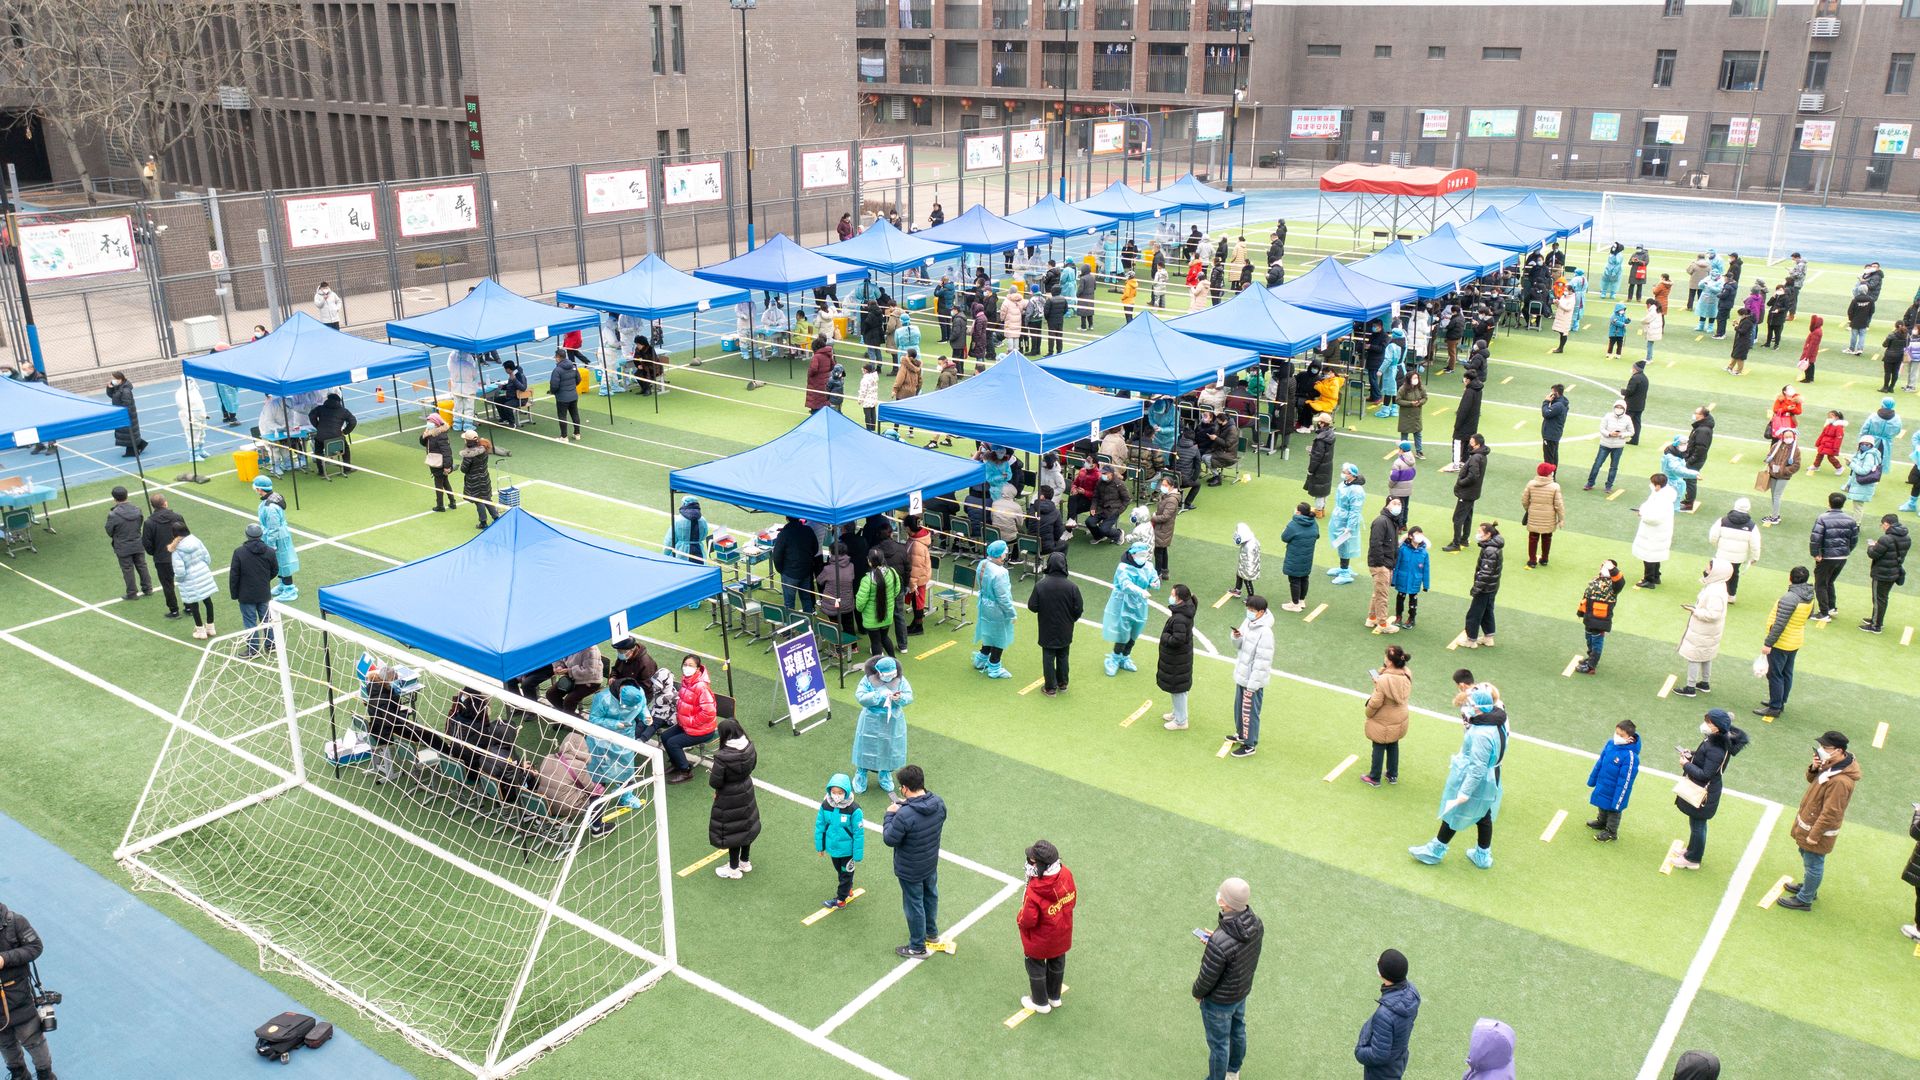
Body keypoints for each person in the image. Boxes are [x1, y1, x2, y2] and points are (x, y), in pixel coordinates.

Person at [1410, 684, 1507, 868]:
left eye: (1470, 703)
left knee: (1455, 811)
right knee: (1484, 814)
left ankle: (1436, 850)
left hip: (1477, 777)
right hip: (1491, 774)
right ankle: (1482, 854)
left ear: (1478, 706)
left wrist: (1464, 792)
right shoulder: (1498, 722)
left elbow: (1477, 767)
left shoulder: (1482, 733)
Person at [1775, 731, 1863, 912]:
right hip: (1810, 821)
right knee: (1806, 854)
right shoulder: (1833, 764)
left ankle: (1805, 898)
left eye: (1825, 747)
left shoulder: (1841, 781)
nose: (1821, 750)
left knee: (1814, 862)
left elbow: (1831, 812)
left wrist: (1814, 835)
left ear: (1838, 750)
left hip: (1818, 829)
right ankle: (1809, 888)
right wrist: (1814, 768)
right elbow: (1812, 781)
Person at [1192, 877, 1262, 1080]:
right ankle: (1233, 1071)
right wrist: (1218, 940)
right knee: (1238, 1030)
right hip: (1241, 992)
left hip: (1219, 1002)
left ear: (1224, 903)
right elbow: (1242, 951)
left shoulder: (1220, 942)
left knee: (1219, 1045)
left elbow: (1206, 977)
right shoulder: (1256, 924)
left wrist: (1197, 994)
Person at [883, 764, 947, 959]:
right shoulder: (938, 802)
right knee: (930, 896)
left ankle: (917, 947)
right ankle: (931, 933)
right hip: (930, 862)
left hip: (910, 868)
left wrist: (890, 814)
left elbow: (889, 839)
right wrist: (908, 805)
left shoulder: (903, 815)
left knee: (914, 905)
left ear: (904, 788)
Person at [1675, 709, 1750, 870]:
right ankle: (1691, 850)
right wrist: (1692, 755)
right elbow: (1705, 758)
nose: (1706, 725)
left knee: (1698, 825)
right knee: (1697, 823)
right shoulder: (1715, 741)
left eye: (1709, 722)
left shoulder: (1716, 748)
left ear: (1717, 727)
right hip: (1706, 791)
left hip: (1705, 792)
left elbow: (1705, 774)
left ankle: (1693, 858)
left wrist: (1686, 765)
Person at [1015, 839, 1076, 1015]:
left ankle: (1040, 1002)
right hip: (1062, 930)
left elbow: (1028, 919)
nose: (1029, 862)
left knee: (1035, 965)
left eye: (1032, 860)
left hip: (1040, 937)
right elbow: (1073, 899)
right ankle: (1054, 997)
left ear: (1041, 864)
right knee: (1057, 960)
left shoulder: (1035, 888)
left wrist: (1019, 919)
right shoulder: (1066, 874)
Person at [0, 900, 53, 1080]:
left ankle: (45, 1074)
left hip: (19, 996)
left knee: (33, 1040)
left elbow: (35, 947)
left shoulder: (15, 922)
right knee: (5, 1044)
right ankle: (18, 1074)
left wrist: (4, 959)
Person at [1757, 565, 1815, 720]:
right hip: (1796, 639)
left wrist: (1768, 643)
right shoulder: (1809, 595)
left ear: (1790, 578)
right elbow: (1809, 615)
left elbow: (1779, 624)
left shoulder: (1789, 598)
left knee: (1775, 674)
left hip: (1782, 642)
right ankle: (1780, 701)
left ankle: (1774, 706)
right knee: (1787, 672)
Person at [707, 719, 762, 879]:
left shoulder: (722, 757)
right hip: (746, 789)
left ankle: (733, 869)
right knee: (746, 826)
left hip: (729, 796)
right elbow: (753, 765)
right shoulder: (749, 746)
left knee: (733, 832)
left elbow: (715, 781)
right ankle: (744, 862)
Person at [1353, 948, 1419, 1080]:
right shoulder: (1412, 992)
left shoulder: (1385, 1014)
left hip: (1381, 1073)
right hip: (1398, 1060)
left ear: (1383, 975)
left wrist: (1359, 1052)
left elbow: (1378, 1055)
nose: (1378, 960)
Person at [850, 655, 911, 795]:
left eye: (892, 674)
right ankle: (861, 774)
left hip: (892, 719)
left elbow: (909, 696)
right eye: (887, 675)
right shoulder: (868, 679)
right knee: (866, 745)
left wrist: (900, 698)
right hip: (871, 718)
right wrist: (877, 695)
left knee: (889, 746)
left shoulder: (900, 680)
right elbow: (860, 696)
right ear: (878, 671)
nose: (890, 677)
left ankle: (885, 774)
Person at [1225, 595, 1274, 759]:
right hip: (1242, 674)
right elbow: (1238, 646)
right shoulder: (1248, 623)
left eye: (1252, 610)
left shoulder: (1265, 632)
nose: (1249, 613)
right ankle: (1241, 734)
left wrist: (1253, 685)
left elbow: (1263, 661)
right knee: (1239, 708)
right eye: (1248, 609)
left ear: (1261, 612)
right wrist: (1236, 637)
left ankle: (1250, 744)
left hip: (1253, 680)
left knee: (1250, 712)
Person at [1674, 562, 1733, 697]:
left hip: (1704, 630)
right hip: (1709, 631)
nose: (1706, 569)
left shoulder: (1714, 592)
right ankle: (1705, 683)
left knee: (1694, 656)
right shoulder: (1718, 586)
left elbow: (1713, 615)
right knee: (1707, 655)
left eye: (1709, 567)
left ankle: (1690, 687)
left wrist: (1694, 611)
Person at [1028, 552, 1083, 698]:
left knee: (1048, 655)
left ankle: (1050, 688)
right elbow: (1079, 609)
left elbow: (1032, 606)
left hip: (1047, 627)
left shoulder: (1041, 585)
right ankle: (1063, 683)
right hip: (1066, 627)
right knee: (1063, 655)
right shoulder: (1072, 587)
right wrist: (1071, 619)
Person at [1101, 542, 1160, 676]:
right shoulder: (1123, 567)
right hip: (1123, 603)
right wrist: (1140, 591)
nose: (1143, 557)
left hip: (1140, 604)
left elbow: (1154, 579)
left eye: (1145, 555)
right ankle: (1114, 659)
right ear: (1132, 554)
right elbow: (1125, 584)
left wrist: (1155, 583)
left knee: (1135, 632)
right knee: (1123, 633)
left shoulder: (1148, 566)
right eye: (1140, 555)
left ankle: (1125, 657)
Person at [660, 654, 717, 783]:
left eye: (690, 665)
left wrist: (691, 722)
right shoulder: (687, 681)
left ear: (698, 669)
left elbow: (709, 713)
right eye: (685, 664)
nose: (686, 667)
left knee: (673, 743)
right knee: (665, 737)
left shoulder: (701, 687)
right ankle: (677, 763)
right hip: (686, 725)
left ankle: (685, 772)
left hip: (702, 730)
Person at [1361, 645, 1412, 787]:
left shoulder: (1383, 680)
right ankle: (1392, 775)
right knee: (1393, 743)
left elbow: (1375, 703)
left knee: (1378, 745)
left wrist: (1368, 713)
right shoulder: (1407, 673)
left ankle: (1374, 777)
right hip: (1400, 717)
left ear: (1389, 661)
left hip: (1383, 719)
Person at [814, 773, 866, 909]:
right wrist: (820, 847)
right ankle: (847, 888)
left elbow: (858, 834)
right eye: (834, 792)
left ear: (846, 792)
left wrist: (857, 854)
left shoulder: (854, 810)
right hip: (833, 849)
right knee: (841, 871)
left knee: (845, 874)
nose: (836, 795)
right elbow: (820, 826)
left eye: (840, 792)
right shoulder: (825, 805)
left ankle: (840, 899)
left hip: (847, 851)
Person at [1585, 719, 1641, 842]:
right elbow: (1600, 762)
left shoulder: (1631, 756)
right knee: (1602, 803)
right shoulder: (1610, 744)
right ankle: (1602, 822)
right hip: (1603, 783)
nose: (1617, 737)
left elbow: (1626, 780)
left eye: (1621, 735)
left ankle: (1611, 832)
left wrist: (1619, 798)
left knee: (1613, 810)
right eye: (1616, 733)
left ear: (1630, 738)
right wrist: (1593, 779)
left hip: (1616, 789)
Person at [228, 523, 278, 658]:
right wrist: (264, 581)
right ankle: (271, 644)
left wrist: (234, 593)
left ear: (247, 535)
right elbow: (275, 570)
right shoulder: (270, 551)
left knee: (250, 621)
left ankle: (253, 650)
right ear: (261, 535)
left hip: (246, 594)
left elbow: (234, 575)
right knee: (267, 618)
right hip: (264, 592)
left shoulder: (239, 552)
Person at [250, 476, 300, 601]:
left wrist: (271, 544)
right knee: (279, 561)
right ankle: (284, 585)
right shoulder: (273, 498)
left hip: (277, 537)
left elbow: (273, 528)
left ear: (260, 489)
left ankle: (289, 589)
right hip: (279, 534)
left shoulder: (270, 507)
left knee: (283, 562)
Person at [167, 521, 219, 639]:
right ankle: (211, 627)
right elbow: (207, 557)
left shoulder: (176, 550)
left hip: (189, 579)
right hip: (203, 573)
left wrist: (180, 580)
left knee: (194, 605)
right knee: (208, 601)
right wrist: (203, 568)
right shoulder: (196, 540)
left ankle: (200, 630)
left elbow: (179, 571)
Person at [1862, 512, 1910, 633]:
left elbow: (1873, 554)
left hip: (1882, 573)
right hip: (1894, 571)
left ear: (1887, 524)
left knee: (1879, 599)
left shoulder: (1886, 539)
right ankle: (1876, 619)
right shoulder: (1906, 537)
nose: (1882, 527)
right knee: (1882, 598)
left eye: (1882, 524)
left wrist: (1871, 546)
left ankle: (1876, 625)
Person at [1575, 559, 1626, 674]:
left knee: (1597, 641)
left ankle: (1591, 666)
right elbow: (1586, 596)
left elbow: (1621, 581)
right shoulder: (1595, 580)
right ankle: (1590, 658)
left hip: (1601, 619)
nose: (1603, 568)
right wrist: (1580, 611)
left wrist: (1612, 569)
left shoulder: (1614, 585)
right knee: (1589, 639)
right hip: (1589, 616)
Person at [1707, 497, 1761, 600]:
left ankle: (1717, 595)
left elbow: (1713, 537)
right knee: (1734, 574)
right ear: (1748, 508)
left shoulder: (1723, 520)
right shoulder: (1751, 526)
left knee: (1719, 573)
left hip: (1722, 554)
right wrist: (1755, 557)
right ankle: (1731, 595)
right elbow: (1755, 544)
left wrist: (1717, 545)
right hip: (1738, 557)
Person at [104, 485, 152, 602]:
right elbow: (140, 523)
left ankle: (132, 593)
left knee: (127, 569)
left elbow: (109, 530)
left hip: (122, 545)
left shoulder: (113, 515)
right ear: (127, 495)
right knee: (142, 565)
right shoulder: (137, 510)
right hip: (137, 542)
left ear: (114, 498)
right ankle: (148, 588)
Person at [1462, 522, 1504, 648]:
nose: (1477, 534)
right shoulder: (1494, 546)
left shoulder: (1489, 550)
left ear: (1488, 534)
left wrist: (1476, 588)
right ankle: (1488, 637)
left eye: (1480, 532)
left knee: (1474, 614)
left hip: (1485, 588)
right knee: (1487, 611)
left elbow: (1485, 573)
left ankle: (1471, 640)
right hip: (1492, 586)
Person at [1632, 474, 1678, 589]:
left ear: (1657, 486)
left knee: (1649, 556)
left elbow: (1654, 518)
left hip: (1654, 532)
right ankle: (1656, 576)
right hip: (1659, 532)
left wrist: (1642, 513)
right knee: (1655, 555)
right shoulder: (1662, 495)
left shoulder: (1661, 499)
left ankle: (1649, 580)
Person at [855, 550, 902, 660]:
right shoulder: (892, 572)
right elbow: (897, 590)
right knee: (885, 637)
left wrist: (860, 609)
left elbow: (860, 603)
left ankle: (878, 668)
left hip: (871, 618)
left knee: (875, 642)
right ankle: (894, 661)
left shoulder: (867, 580)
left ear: (870, 562)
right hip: (887, 615)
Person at [1445, 436, 1488, 552]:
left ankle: (1456, 543)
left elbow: (1473, 476)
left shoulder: (1475, 458)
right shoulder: (1482, 456)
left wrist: (1461, 482)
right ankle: (1464, 539)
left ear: (1477, 444)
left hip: (1467, 492)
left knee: (1457, 518)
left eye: (1471, 442)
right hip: (1473, 492)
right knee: (1468, 515)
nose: (1469, 444)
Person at [772, 516, 822, 616]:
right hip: (805, 571)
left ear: (787, 518)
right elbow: (815, 548)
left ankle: (789, 629)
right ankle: (809, 626)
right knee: (806, 599)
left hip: (790, 574)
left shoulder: (784, 534)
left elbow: (777, 555)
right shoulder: (807, 530)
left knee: (789, 603)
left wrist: (781, 570)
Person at [1366, 499, 1402, 632]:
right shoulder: (1382, 521)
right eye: (1395, 503)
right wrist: (1382, 563)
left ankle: (1372, 617)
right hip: (1381, 564)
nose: (1397, 506)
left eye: (1399, 504)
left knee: (1378, 592)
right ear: (1387, 504)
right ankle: (1382, 624)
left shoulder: (1391, 521)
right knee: (1382, 595)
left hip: (1386, 563)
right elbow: (1376, 543)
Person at [1327, 463, 1366, 585]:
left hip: (1347, 520)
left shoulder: (1356, 490)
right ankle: (1343, 567)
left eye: (1345, 472)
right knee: (1340, 543)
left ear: (1352, 475)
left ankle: (1345, 572)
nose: (1343, 473)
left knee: (1346, 544)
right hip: (1338, 518)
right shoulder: (1343, 484)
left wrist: (1349, 527)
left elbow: (1355, 510)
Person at [1519, 463, 1564, 569]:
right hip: (1548, 517)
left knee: (1533, 538)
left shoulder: (1531, 484)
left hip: (1534, 515)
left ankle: (1532, 560)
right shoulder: (1555, 487)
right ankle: (1544, 559)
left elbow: (1524, 500)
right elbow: (1559, 505)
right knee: (1547, 538)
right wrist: (1561, 519)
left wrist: (1530, 509)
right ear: (1549, 474)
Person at [1277, 503, 1319, 612]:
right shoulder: (1314, 522)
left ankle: (1295, 604)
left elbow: (1284, 537)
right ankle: (1301, 600)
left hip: (1295, 557)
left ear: (1299, 512)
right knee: (1304, 578)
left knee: (1294, 580)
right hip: (1308, 556)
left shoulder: (1293, 524)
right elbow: (1317, 535)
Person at [457, 430, 501, 530]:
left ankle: (483, 522)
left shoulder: (468, 454)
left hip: (473, 481)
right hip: (484, 477)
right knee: (487, 498)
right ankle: (496, 517)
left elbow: (464, 469)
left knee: (478, 501)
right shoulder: (484, 449)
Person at [1760, 427, 1801, 525]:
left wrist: (1783, 471)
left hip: (1784, 476)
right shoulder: (1776, 446)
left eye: (1790, 436)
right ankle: (1775, 514)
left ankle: (1774, 517)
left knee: (1777, 495)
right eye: (1786, 436)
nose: (1788, 438)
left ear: (1794, 437)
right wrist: (1773, 466)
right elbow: (1769, 457)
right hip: (1773, 474)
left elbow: (1796, 465)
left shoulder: (1796, 450)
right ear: (1782, 437)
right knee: (1774, 495)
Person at [1303, 411, 1336, 514]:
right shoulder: (1330, 435)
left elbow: (1317, 457)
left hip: (1320, 469)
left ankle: (1318, 511)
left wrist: (1310, 470)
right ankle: (1321, 509)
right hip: (1326, 467)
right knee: (1323, 491)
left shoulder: (1321, 439)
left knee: (1319, 492)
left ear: (1322, 423)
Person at [1845, 435, 1884, 519]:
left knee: (1858, 507)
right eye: (1863, 444)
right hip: (1860, 484)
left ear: (1871, 446)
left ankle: (1856, 525)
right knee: (1857, 507)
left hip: (1862, 485)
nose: (1864, 446)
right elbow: (1855, 473)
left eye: (1867, 445)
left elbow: (1864, 471)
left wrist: (1850, 464)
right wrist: (1849, 484)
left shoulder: (1869, 456)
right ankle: (1856, 523)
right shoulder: (1862, 454)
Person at [548, 347, 582, 440]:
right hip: (573, 395)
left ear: (558, 357)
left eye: (555, 357)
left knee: (562, 416)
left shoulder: (557, 370)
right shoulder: (573, 366)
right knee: (575, 414)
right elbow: (578, 380)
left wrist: (553, 392)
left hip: (562, 398)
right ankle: (577, 433)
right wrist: (571, 387)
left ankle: (564, 436)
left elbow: (554, 385)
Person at [1846, 283, 1876, 356]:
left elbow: (1850, 311)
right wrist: (1868, 318)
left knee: (1854, 335)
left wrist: (1851, 319)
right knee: (1862, 335)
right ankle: (1859, 349)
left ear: (1859, 290)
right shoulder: (1870, 300)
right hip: (1864, 320)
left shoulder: (1855, 299)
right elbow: (1872, 311)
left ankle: (1851, 349)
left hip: (1855, 320)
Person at [1798, 314, 1825, 383]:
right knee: (1811, 363)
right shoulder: (1818, 331)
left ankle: (1808, 378)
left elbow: (1812, 345)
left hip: (1810, 350)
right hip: (1812, 350)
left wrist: (1807, 355)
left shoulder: (1816, 332)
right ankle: (1810, 378)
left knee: (1808, 363)